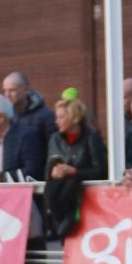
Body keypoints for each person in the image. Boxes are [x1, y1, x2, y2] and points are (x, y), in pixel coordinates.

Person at [44, 95, 107, 236]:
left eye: (61, 117)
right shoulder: (55, 139)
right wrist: (53, 172)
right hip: (59, 197)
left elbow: (101, 170)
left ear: (74, 118)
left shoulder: (91, 137)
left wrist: (75, 171)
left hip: (86, 202)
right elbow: (48, 167)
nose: (56, 121)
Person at [0, 93, 46, 182]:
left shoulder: (26, 136)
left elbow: (33, 171)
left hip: (20, 194)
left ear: (1, 117)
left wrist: (3, 177)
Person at [2, 72, 57, 155]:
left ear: (25, 89)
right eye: (5, 90)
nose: (7, 94)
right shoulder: (4, 116)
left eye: (12, 90)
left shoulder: (46, 116)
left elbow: (53, 148)